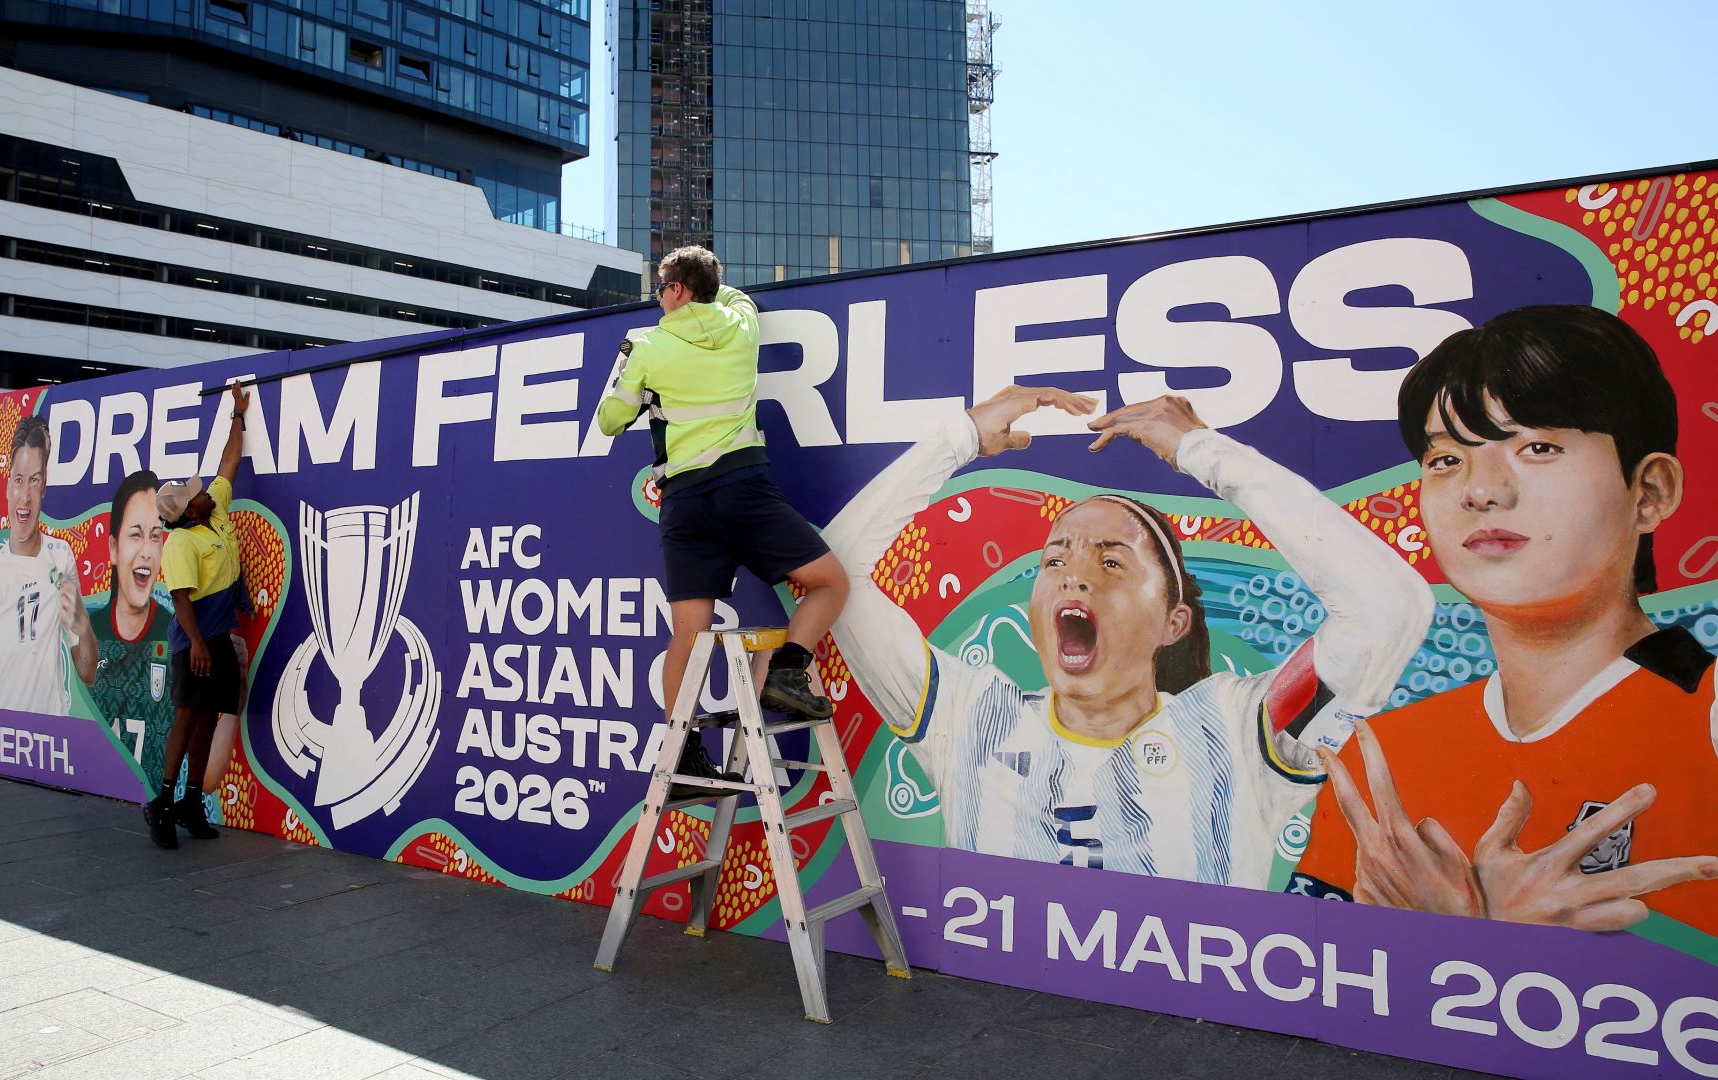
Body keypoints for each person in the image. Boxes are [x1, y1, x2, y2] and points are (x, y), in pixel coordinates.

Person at [821, 386, 1435, 888]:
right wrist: (959, 438)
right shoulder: (969, 713)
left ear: (1174, 623)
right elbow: (830, 573)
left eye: (1111, 562)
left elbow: (1390, 610)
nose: (1075, 578)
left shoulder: (1238, 730)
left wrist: (1203, 452)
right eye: (1055, 561)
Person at [1293, 304, 1718, 933]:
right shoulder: (1380, 755)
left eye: (1538, 447)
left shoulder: (1704, 715)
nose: (1480, 489)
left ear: (1649, 492)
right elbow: (1310, 970)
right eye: (1445, 460)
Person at [595, 246, 847, 793]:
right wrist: (711, 288)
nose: (658, 298)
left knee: (689, 630)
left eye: (662, 288)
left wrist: (639, 385)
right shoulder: (740, 326)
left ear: (678, 291)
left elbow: (610, 420)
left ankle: (683, 759)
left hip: (686, 503)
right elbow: (737, 298)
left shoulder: (646, 344)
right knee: (830, 584)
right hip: (744, 491)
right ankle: (784, 673)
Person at [145, 380, 250, 849]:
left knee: (209, 719)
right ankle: (161, 804)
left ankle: (190, 802)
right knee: (187, 717)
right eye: (195, 493)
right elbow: (182, 599)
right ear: (187, 513)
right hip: (196, 644)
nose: (204, 489)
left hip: (221, 639)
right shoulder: (182, 543)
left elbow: (229, 460)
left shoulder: (218, 511)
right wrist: (200, 646)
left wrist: (237, 414)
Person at [0, 416, 98, 714]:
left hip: (52, 736)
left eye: (35, 480)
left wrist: (83, 627)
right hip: (7, 739)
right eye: (19, 480)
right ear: (7, 487)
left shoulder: (61, 557)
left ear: (44, 488)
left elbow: (88, 672)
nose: (25, 496)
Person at [87, 469, 176, 793]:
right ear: (113, 548)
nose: (147, 550)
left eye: (155, 536)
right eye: (136, 534)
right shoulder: (87, 634)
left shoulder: (174, 634)